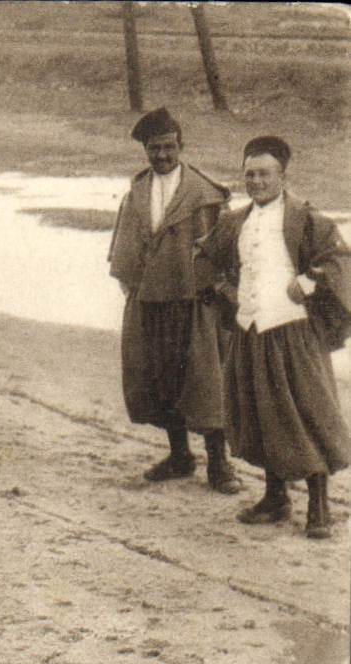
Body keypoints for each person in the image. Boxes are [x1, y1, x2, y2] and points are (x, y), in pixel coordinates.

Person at [198, 136, 351, 539]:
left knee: (307, 412)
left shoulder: (306, 217)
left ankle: (319, 506)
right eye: (249, 174)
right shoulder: (236, 221)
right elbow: (208, 258)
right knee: (259, 414)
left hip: (293, 331)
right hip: (250, 331)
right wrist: (226, 292)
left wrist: (308, 281)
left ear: (282, 175)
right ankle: (275, 497)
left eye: (265, 174)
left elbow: (338, 259)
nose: (256, 181)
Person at [108, 108, 239, 493]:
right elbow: (125, 250)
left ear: (181, 146)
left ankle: (220, 464)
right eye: (154, 148)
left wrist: (220, 294)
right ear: (145, 150)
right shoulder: (137, 192)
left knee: (206, 383)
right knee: (160, 381)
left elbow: (229, 252)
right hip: (151, 303)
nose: (162, 155)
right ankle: (180, 455)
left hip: (194, 304)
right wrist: (133, 289)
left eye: (168, 147)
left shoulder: (204, 193)